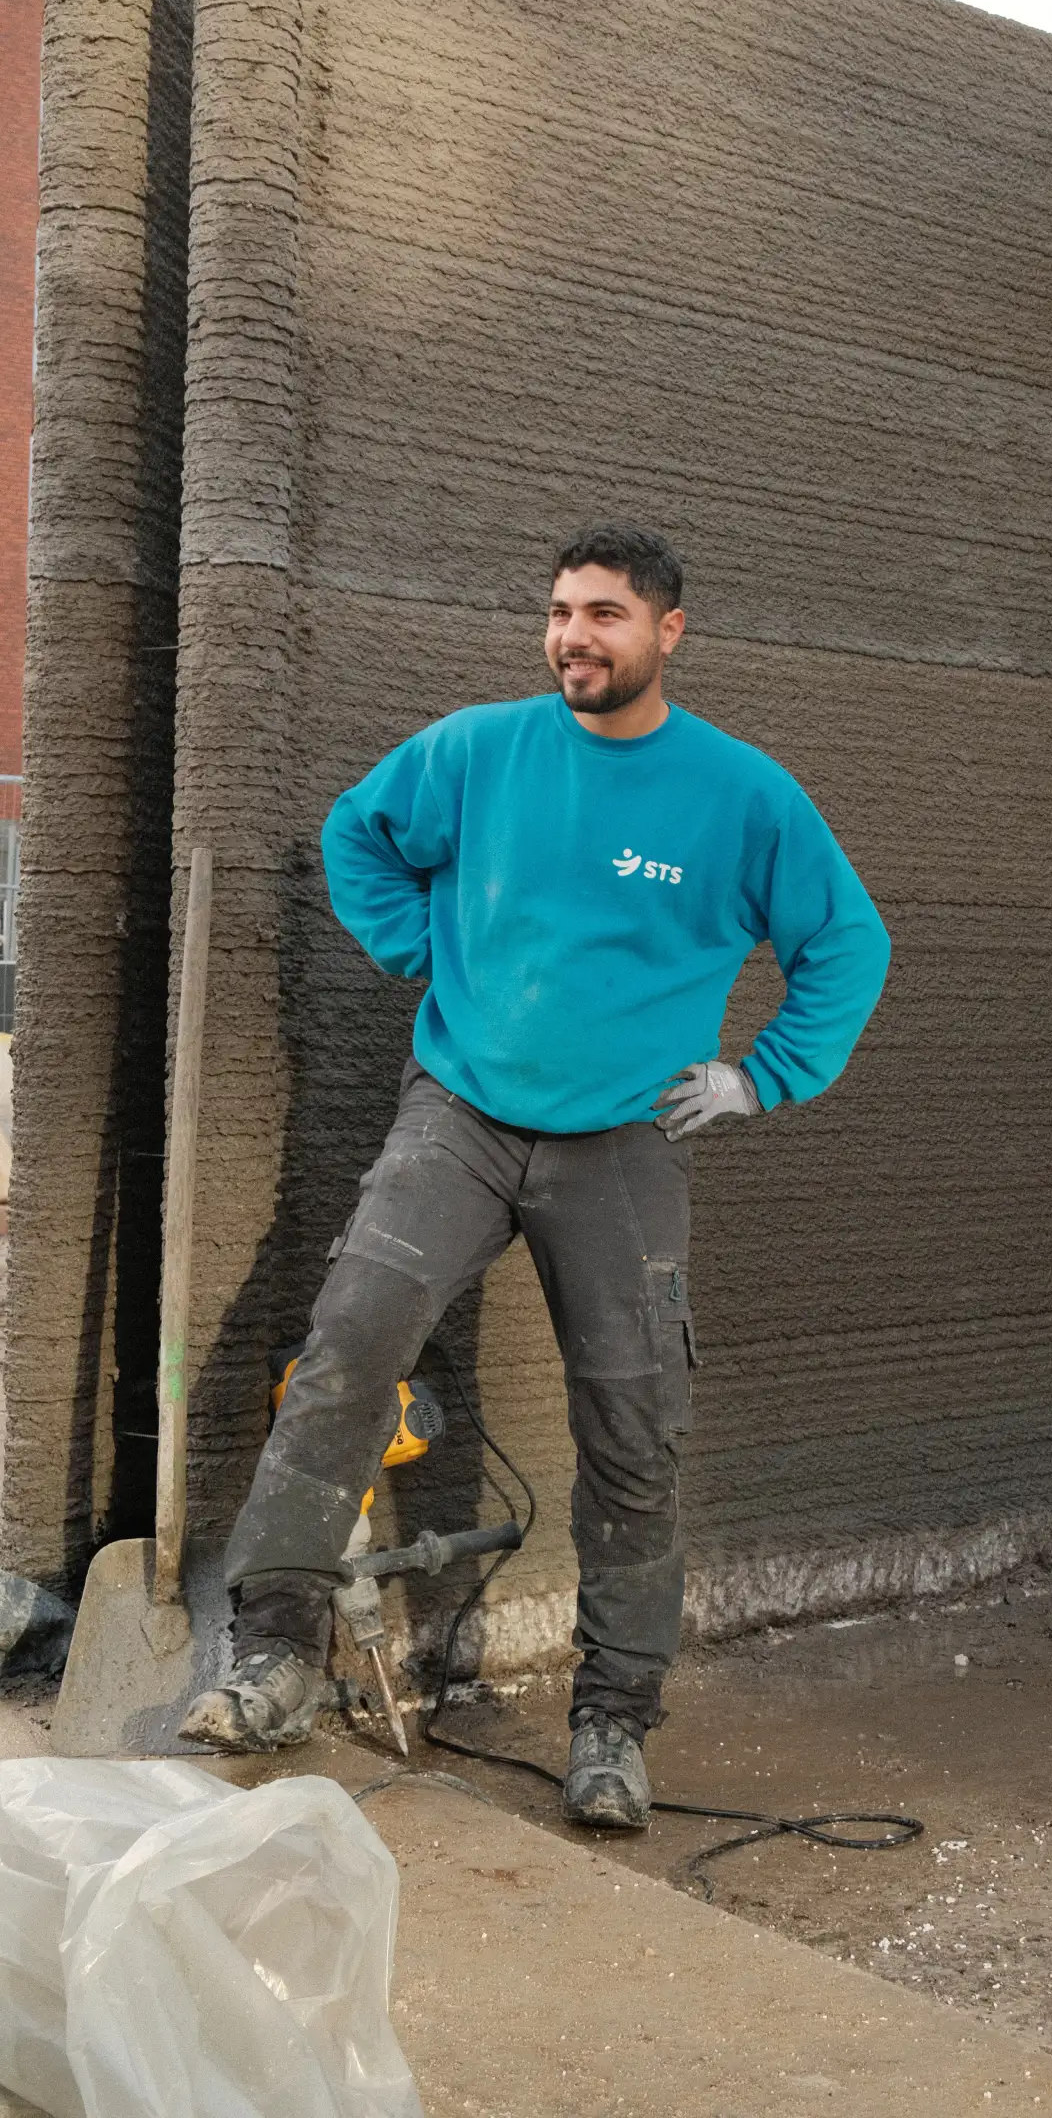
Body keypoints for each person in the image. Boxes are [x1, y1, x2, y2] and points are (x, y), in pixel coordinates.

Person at [183, 522, 890, 1826]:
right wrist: (413, 949)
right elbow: (359, 833)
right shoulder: (476, 750)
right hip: (458, 1113)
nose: (574, 636)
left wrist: (759, 1074)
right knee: (346, 1345)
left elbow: (846, 942)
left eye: (604, 615)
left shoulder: (739, 797)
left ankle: (613, 1725)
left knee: (636, 1425)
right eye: (562, 612)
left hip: (620, 1144)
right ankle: (276, 1655)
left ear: (667, 631)